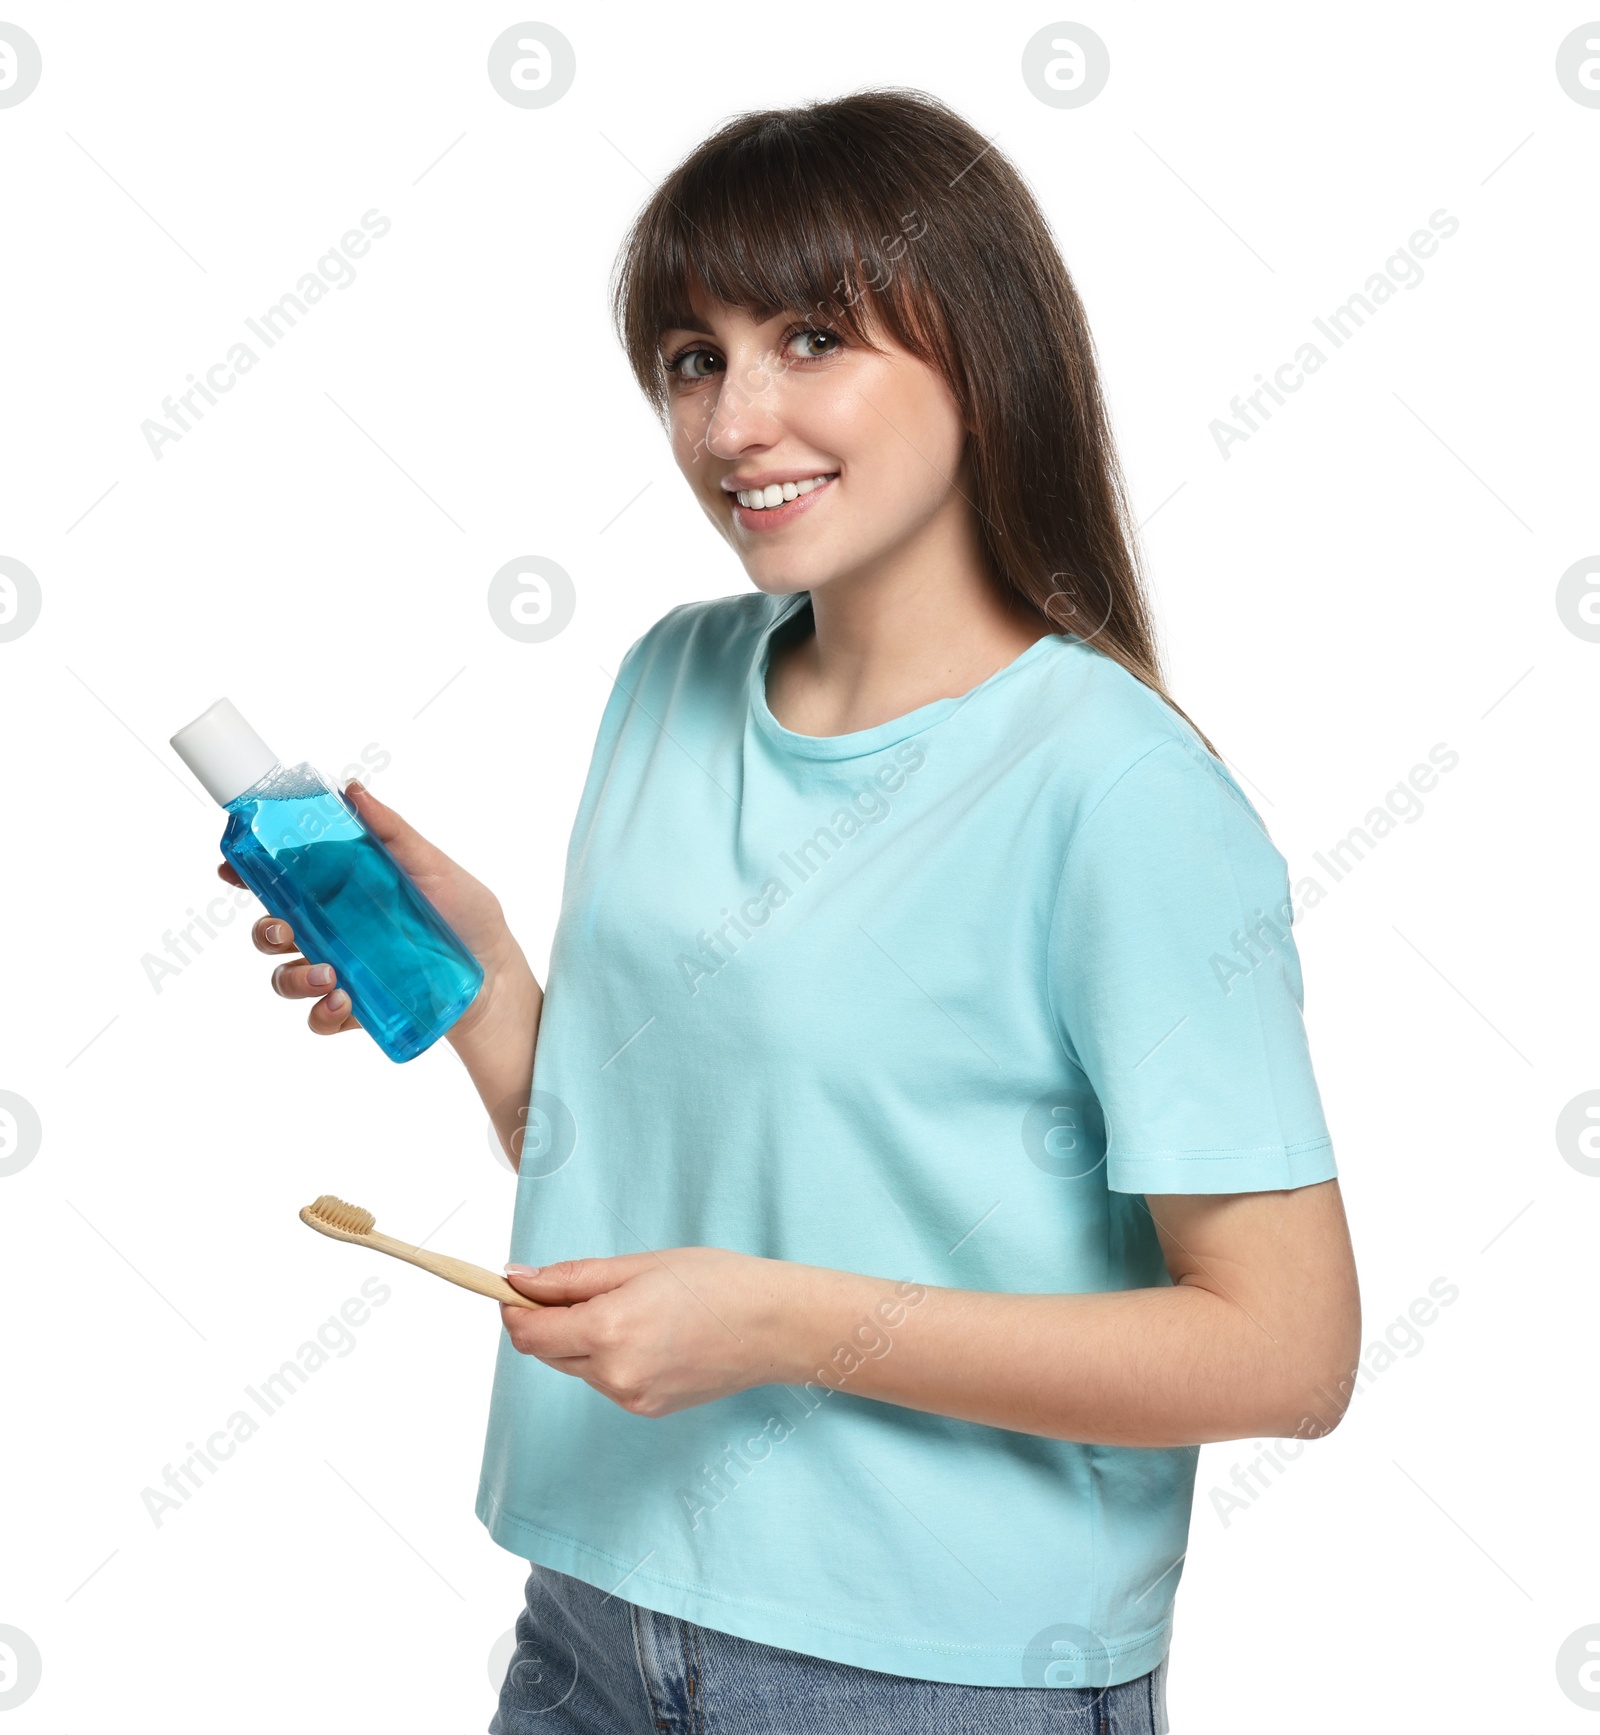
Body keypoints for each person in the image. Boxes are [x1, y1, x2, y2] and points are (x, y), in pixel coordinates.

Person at [223, 88, 1360, 1735]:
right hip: (597, 1617)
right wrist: (480, 994)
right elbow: (652, 1165)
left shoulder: (1113, 791)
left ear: (981, 355)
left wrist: (781, 1327)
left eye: (811, 337)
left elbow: (1285, 1353)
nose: (735, 421)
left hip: (937, 1678)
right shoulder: (671, 683)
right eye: (694, 359)